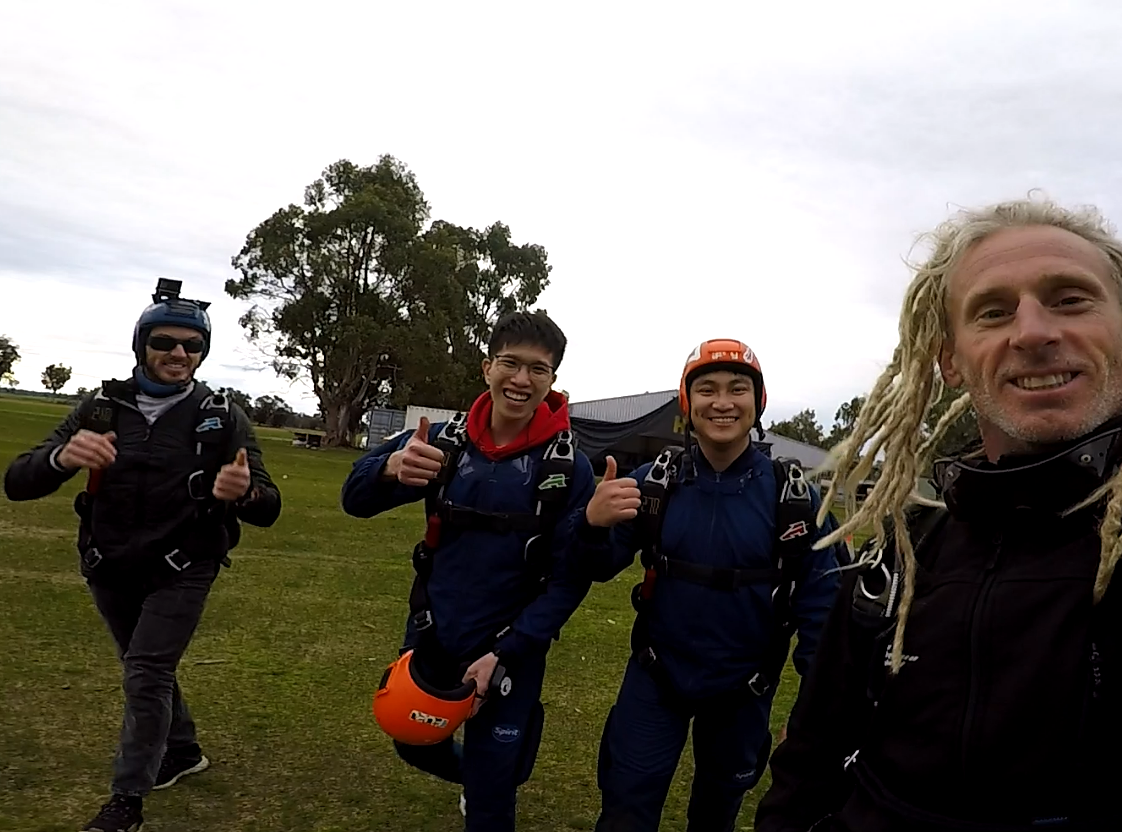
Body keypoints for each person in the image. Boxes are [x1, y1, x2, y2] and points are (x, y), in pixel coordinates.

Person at [754, 197, 1122, 832]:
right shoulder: (899, 559)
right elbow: (808, 764)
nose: (1034, 331)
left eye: (1071, 299)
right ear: (951, 361)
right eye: (993, 311)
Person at [4, 278, 282, 832]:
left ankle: (126, 801)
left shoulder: (222, 415)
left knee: (146, 673)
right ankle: (181, 751)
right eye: (164, 342)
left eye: (192, 345)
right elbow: (17, 481)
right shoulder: (102, 407)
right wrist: (61, 458)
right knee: (143, 666)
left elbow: (268, 503)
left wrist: (241, 492)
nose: (178, 354)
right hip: (109, 564)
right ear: (142, 346)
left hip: (185, 564)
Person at [575, 339, 845, 832]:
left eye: (737, 389)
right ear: (687, 402)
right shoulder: (654, 482)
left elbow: (823, 616)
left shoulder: (798, 501)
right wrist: (591, 523)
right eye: (707, 390)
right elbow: (598, 563)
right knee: (625, 810)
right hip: (657, 680)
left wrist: (816, 714)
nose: (722, 402)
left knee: (717, 814)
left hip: (743, 691)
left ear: (757, 402)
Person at [341, 310, 595, 832]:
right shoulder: (441, 440)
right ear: (486, 368)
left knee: (491, 798)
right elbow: (354, 499)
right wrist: (386, 469)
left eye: (538, 370)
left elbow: (571, 580)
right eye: (510, 364)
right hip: (434, 631)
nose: (521, 380)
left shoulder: (569, 467)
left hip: (511, 647)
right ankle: (488, 774)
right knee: (412, 741)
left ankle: (493, 778)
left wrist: (507, 650)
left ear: (552, 380)